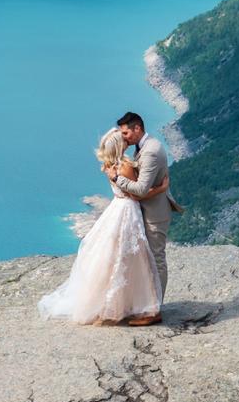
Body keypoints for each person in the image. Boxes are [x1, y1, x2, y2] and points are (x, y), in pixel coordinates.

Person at [37, 127, 169, 325]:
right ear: (120, 145)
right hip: (127, 211)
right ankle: (141, 305)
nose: (127, 139)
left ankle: (116, 303)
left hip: (116, 209)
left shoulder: (109, 165)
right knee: (133, 259)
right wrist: (160, 188)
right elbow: (137, 194)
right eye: (123, 138)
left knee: (113, 257)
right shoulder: (124, 167)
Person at [108, 111, 184, 326]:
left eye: (126, 133)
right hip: (145, 211)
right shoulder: (144, 147)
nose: (124, 138)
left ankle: (154, 310)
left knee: (156, 259)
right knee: (146, 260)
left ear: (137, 128)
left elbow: (141, 189)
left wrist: (116, 178)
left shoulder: (150, 151)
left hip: (155, 215)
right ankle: (145, 304)